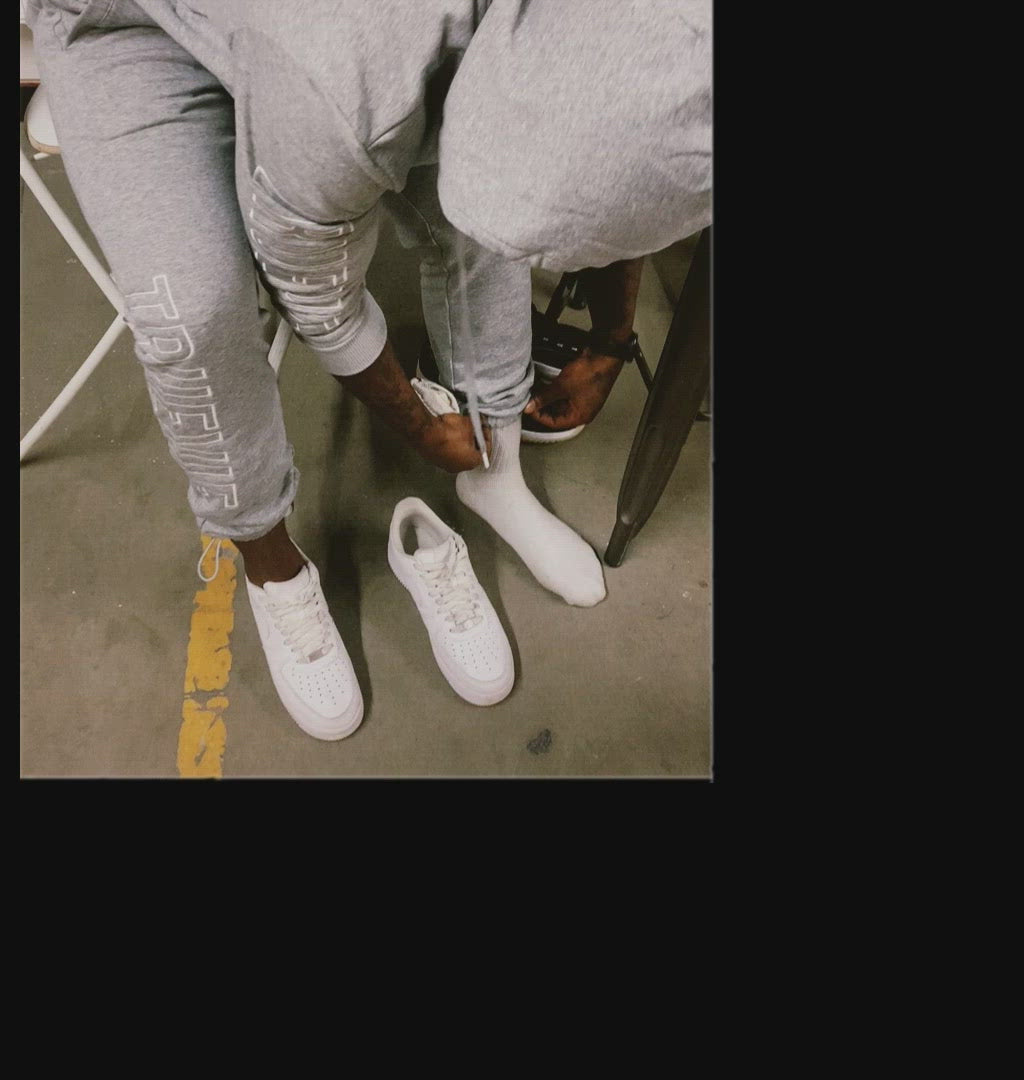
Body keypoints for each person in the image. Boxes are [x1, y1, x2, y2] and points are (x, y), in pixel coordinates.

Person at [25, 0, 711, 739]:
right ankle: (270, 562)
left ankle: (496, 475)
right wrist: (417, 423)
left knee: (477, 230)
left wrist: (607, 332)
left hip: (327, 50)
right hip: (127, 27)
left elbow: (616, 162)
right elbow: (317, 298)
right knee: (191, 315)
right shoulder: (343, 99)